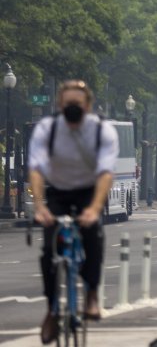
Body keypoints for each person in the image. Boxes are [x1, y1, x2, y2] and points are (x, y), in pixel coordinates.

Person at [28, 80, 119, 344]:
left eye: (77, 105)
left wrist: (93, 209)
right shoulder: (49, 129)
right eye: (67, 104)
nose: (71, 109)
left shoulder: (102, 131)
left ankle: (91, 293)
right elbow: (36, 168)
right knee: (48, 251)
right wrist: (40, 206)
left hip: (88, 190)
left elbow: (105, 173)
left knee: (93, 235)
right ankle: (52, 310)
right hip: (58, 191)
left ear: (88, 106)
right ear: (59, 104)